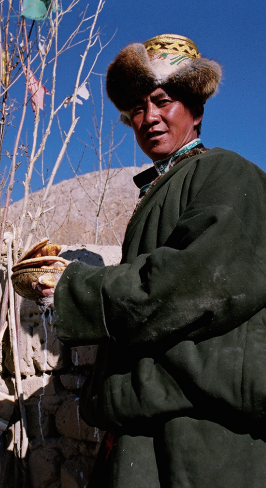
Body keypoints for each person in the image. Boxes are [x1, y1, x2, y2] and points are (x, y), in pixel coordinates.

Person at [52, 34, 266, 487]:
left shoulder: (226, 173)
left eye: (162, 101)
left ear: (195, 108)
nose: (147, 118)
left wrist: (72, 289)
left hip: (202, 437)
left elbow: (191, 283)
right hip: (146, 429)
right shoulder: (161, 190)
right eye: (135, 109)